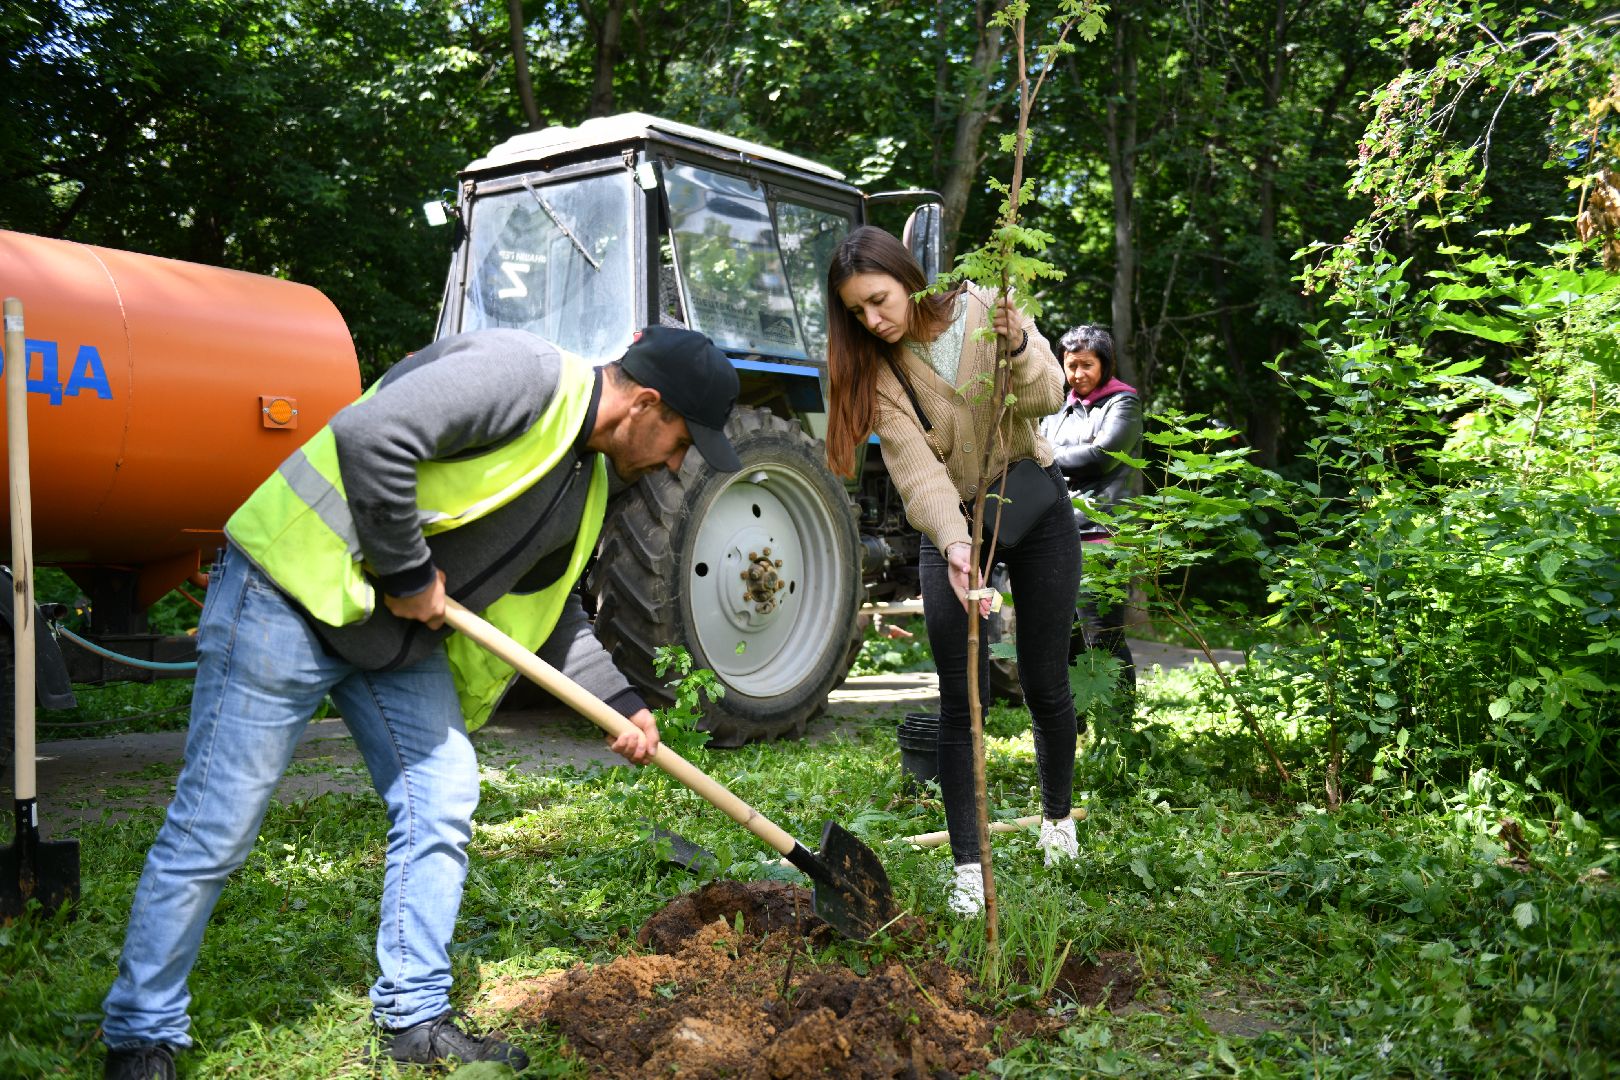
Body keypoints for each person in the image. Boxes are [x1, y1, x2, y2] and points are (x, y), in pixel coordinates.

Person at [100, 326, 742, 1080]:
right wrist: (408, 573)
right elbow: (371, 435)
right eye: (678, 442)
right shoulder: (522, 375)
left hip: (390, 644)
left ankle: (414, 1017)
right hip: (290, 596)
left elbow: (550, 609)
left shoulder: (589, 484)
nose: (673, 462)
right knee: (218, 823)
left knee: (441, 796)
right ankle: (143, 1033)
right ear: (646, 403)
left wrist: (620, 701)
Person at [824, 226, 1081, 916]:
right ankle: (970, 869)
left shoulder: (989, 305)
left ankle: (1058, 822)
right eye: (856, 313)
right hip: (958, 530)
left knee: (1046, 679)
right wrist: (953, 540)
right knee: (961, 699)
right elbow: (914, 469)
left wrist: (1022, 345)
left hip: (1034, 506)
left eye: (878, 301)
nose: (872, 321)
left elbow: (1048, 396)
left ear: (907, 278)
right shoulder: (881, 373)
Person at [1040, 324, 1142, 716]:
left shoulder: (1123, 403)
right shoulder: (1059, 409)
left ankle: (1120, 723)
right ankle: (1074, 723)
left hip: (1101, 535)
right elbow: (1039, 453)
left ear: (1104, 363)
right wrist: (1056, 452)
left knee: (1103, 637)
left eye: (1086, 365)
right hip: (1057, 533)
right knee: (1063, 639)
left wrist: (1048, 453)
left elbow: (1101, 457)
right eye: (1071, 365)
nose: (1078, 373)